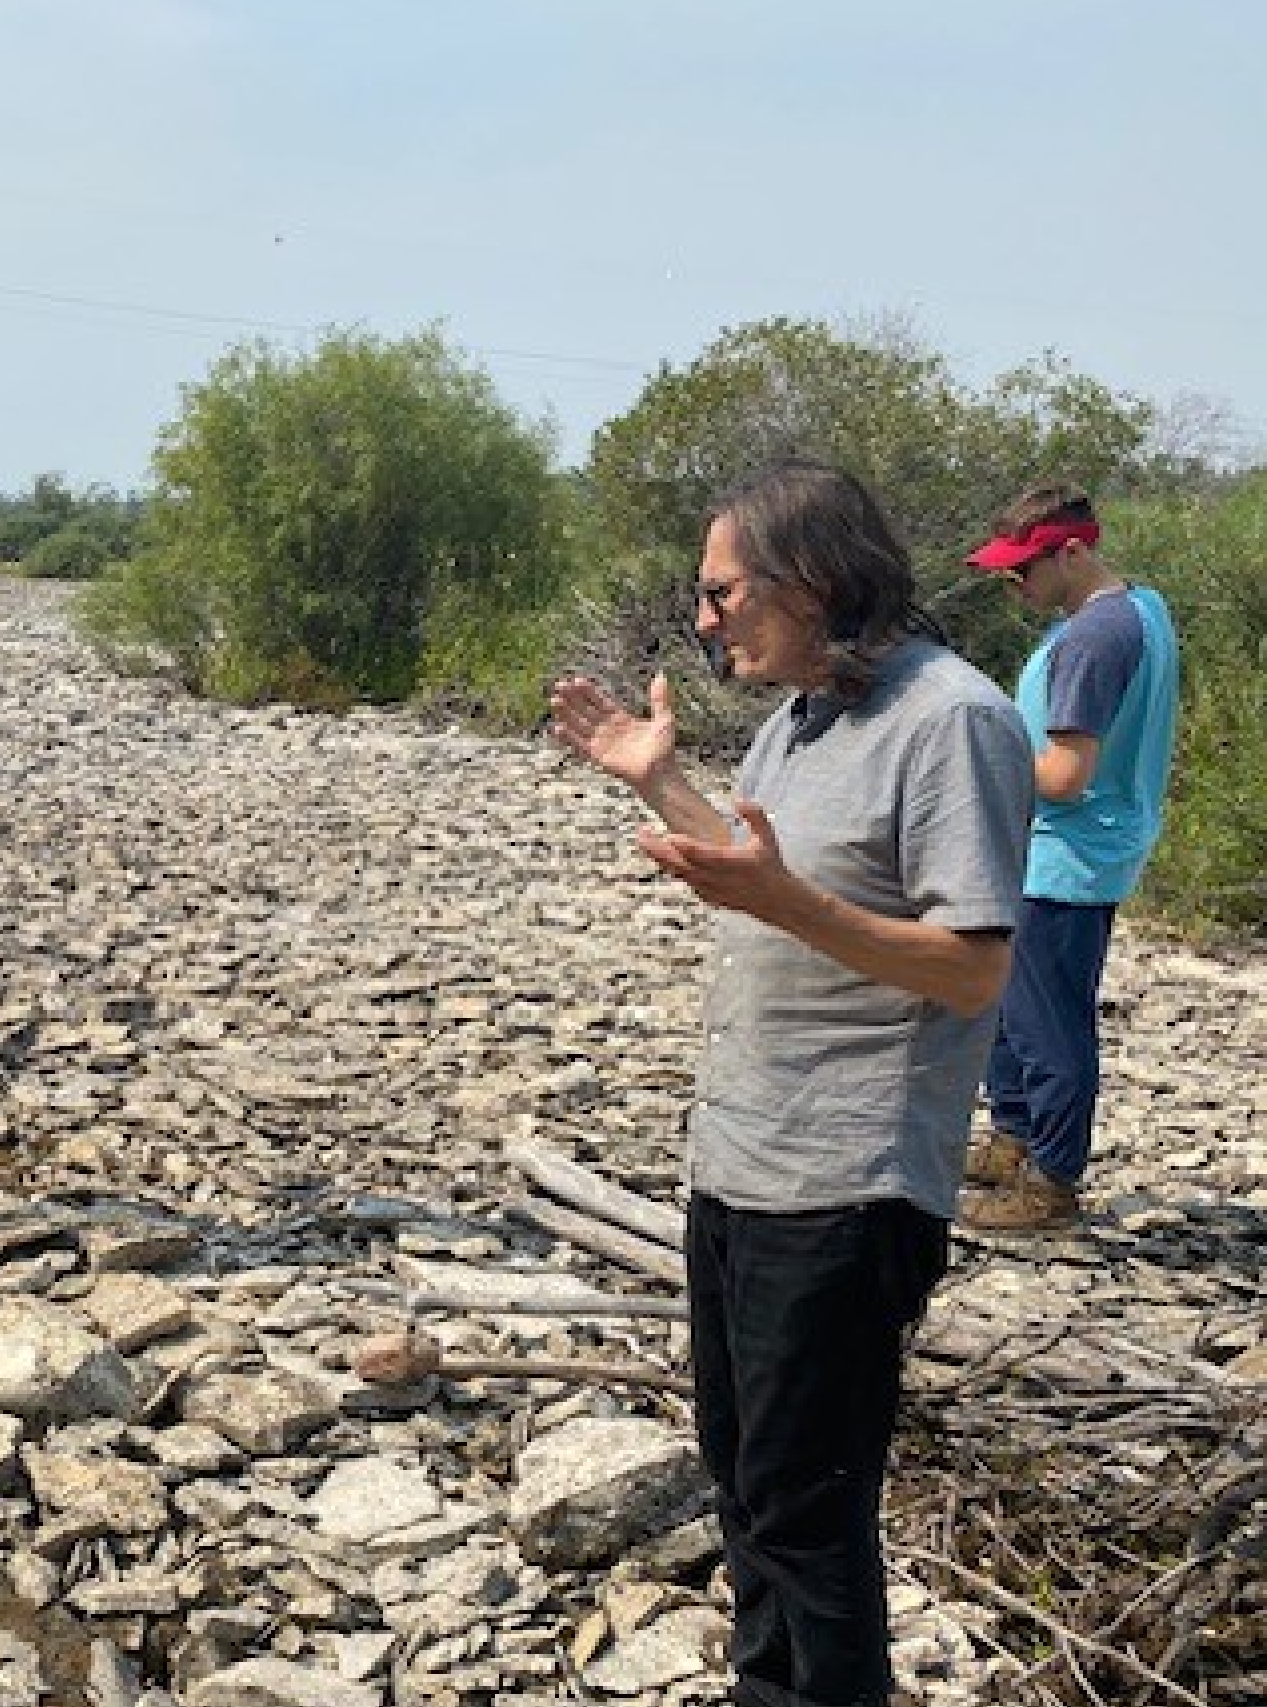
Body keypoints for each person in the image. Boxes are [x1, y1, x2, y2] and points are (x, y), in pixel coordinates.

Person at [548, 459, 1031, 1707]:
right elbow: (758, 875)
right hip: (742, 1163)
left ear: (809, 577)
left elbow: (975, 970)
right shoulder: (801, 716)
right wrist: (658, 777)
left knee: (811, 1518)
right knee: (749, 1493)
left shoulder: (952, 720)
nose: (702, 618)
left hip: (850, 1178)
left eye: (720, 592)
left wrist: (790, 900)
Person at [960, 484, 1180, 1231]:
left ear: (1074, 551)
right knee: (1009, 1008)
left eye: (1023, 568)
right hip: (1067, 850)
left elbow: (1064, 773)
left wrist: (973, 763)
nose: (1010, 582)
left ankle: (1052, 1182)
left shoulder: (1093, 638)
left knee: (1048, 1023)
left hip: (1068, 857)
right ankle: (1015, 1136)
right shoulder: (1136, 607)